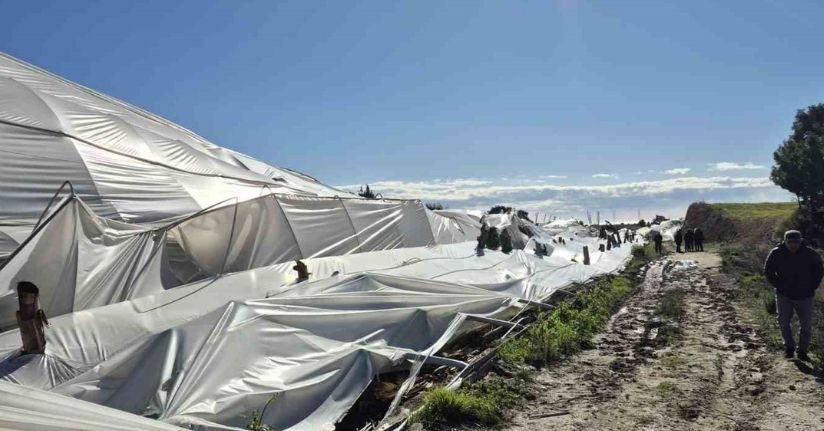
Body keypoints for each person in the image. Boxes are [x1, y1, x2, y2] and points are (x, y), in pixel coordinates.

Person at [763, 230, 823, 360]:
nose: (793, 245)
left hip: (805, 296)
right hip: (784, 295)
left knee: (806, 325)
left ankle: (802, 351)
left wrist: (811, 287)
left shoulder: (810, 254)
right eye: (790, 242)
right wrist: (779, 285)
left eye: (796, 242)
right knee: (783, 322)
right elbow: (768, 271)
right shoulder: (776, 253)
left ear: (801, 241)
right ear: (785, 241)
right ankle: (789, 348)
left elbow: (818, 271)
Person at [16, 281, 49, 354]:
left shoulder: (38, 312)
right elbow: (24, 333)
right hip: (30, 348)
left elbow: (46, 325)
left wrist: (45, 321)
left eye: (33, 297)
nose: (32, 299)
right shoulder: (20, 315)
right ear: (22, 298)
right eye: (29, 297)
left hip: (41, 344)